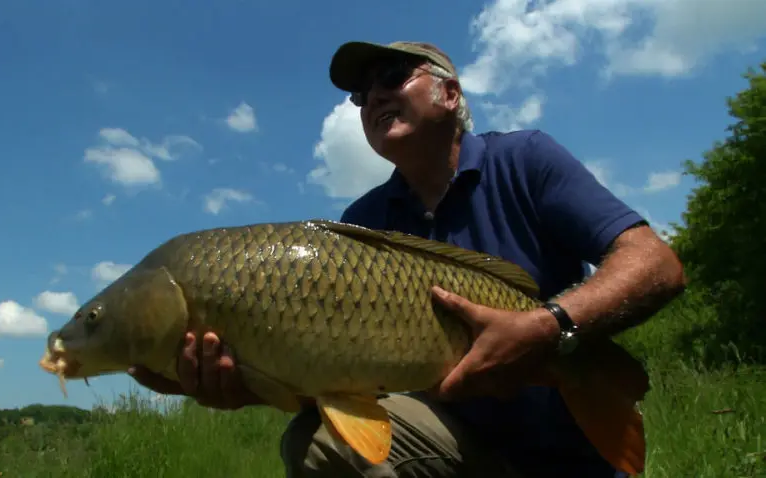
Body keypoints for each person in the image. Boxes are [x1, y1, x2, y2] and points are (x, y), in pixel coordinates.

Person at [128, 40, 686, 477]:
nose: (372, 97)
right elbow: (336, 380)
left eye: (393, 78)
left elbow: (655, 264)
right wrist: (244, 383)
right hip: (454, 453)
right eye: (360, 94)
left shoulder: (526, 159)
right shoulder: (361, 221)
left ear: (450, 94)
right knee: (314, 442)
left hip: (562, 456)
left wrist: (546, 328)